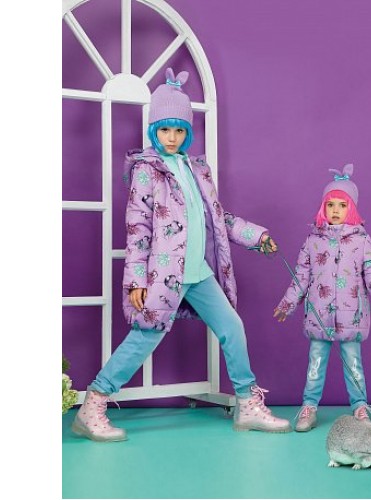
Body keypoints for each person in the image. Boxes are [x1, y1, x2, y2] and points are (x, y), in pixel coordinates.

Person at [72, 68, 291, 441]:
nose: (171, 138)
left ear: (187, 132)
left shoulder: (197, 169)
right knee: (144, 337)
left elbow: (218, 218)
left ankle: (247, 405)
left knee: (232, 328)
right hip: (164, 274)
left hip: (199, 272)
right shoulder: (146, 171)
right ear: (153, 131)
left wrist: (256, 236)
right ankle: (93, 405)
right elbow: (138, 228)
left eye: (178, 130)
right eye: (164, 130)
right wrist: (136, 280)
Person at [273, 164, 371, 432]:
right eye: (330, 205)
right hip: (319, 316)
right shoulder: (312, 241)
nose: (335, 210)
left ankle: (360, 406)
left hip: (352, 317)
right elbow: (300, 277)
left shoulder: (362, 242)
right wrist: (286, 305)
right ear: (322, 208)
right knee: (316, 363)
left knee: (353, 363)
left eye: (342, 205)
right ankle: (309, 406)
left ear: (352, 209)